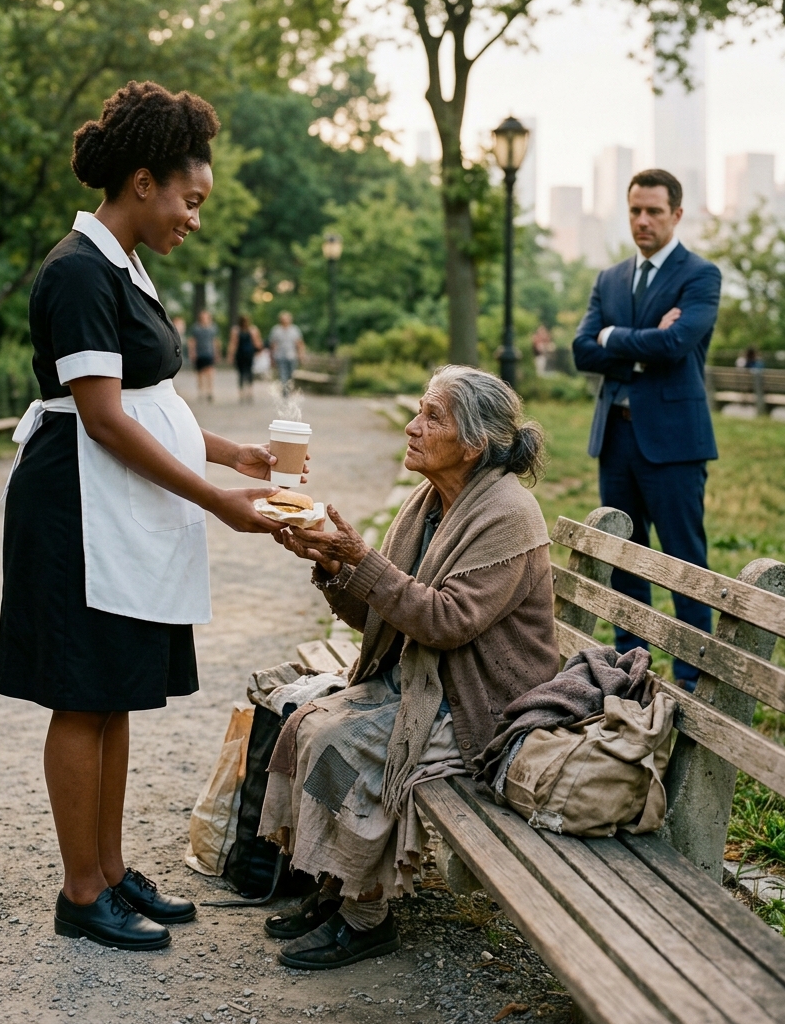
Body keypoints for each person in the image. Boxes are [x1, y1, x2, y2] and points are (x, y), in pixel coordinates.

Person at [0, 80, 286, 952]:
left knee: (114, 694)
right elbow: (105, 416)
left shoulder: (121, 263)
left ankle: (112, 872)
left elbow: (149, 397)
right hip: (75, 510)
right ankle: (81, 892)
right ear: (145, 180)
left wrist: (230, 452)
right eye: (191, 200)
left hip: (114, 508)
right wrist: (218, 501)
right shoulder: (80, 271)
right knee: (81, 698)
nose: (194, 218)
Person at [258, 366, 558, 969]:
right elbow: (378, 611)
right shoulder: (428, 503)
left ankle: (366, 918)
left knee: (345, 742)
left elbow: (444, 622)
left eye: (432, 417)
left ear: (474, 444)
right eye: (419, 410)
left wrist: (361, 559)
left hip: (481, 705)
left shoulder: (508, 514)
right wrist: (334, 564)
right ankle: (338, 883)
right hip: (423, 679)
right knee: (308, 722)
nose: (411, 426)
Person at [572, 168, 721, 691]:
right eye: (635, 209)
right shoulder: (609, 278)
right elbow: (581, 349)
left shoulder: (700, 275)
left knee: (685, 565)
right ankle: (629, 677)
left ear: (676, 214)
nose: (642, 220)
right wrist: (635, 341)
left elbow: (676, 344)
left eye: (654, 210)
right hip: (616, 440)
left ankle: (692, 682)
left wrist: (615, 340)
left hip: (676, 444)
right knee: (623, 562)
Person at [227, 313, 263, 403]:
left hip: (246, 354)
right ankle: (245, 392)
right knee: (244, 373)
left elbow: (257, 342)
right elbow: (233, 343)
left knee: (245, 373)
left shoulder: (251, 330)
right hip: (243, 354)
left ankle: (246, 392)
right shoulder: (238, 330)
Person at [188, 308, 220, 401]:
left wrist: (216, 352)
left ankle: (209, 392)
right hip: (199, 353)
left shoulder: (213, 328)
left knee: (210, 373)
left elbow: (215, 341)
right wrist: (192, 352)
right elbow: (192, 341)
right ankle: (201, 391)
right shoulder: (196, 328)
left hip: (209, 353)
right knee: (200, 374)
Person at [269, 311, 304, 392]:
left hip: (292, 356)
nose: (285, 321)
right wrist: (272, 357)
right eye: (283, 319)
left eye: (287, 319)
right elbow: (273, 344)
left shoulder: (295, 329)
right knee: (282, 375)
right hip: (280, 356)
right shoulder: (276, 330)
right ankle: (285, 393)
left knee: (291, 375)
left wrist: (301, 354)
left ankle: (288, 390)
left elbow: (299, 343)